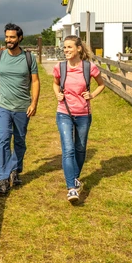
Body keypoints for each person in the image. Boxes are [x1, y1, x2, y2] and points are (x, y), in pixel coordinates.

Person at [52, 35, 105, 203]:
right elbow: (55, 83)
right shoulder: (60, 67)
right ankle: (72, 189)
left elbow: (102, 84)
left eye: (69, 47)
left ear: (79, 48)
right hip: (64, 112)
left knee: (80, 149)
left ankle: (75, 177)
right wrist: (57, 94)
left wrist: (92, 94)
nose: (66, 50)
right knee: (68, 149)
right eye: (64, 47)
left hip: (83, 114)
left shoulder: (89, 67)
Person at [0, 23, 40, 195]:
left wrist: (34, 103)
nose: (8, 40)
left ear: (20, 38)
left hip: (22, 107)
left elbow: (35, 81)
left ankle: (15, 170)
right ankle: (3, 179)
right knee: (3, 138)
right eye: (7, 37)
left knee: (19, 141)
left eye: (12, 37)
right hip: (3, 105)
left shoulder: (28, 58)